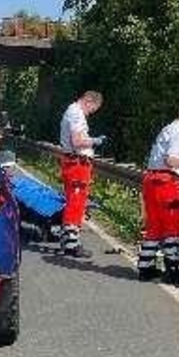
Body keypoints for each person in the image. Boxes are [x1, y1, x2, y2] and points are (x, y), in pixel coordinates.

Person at [138, 105, 179, 281]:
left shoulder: (168, 128)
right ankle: (173, 269)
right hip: (166, 183)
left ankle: (145, 268)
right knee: (172, 226)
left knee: (154, 226)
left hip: (152, 180)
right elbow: (171, 160)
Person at [57, 91, 105, 258]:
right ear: (89, 102)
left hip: (73, 162)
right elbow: (77, 141)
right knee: (76, 203)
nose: (90, 113)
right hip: (77, 163)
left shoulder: (71, 110)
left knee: (74, 201)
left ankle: (67, 239)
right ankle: (71, 245)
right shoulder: (77, 113)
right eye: (92, 109)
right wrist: (94, 140)